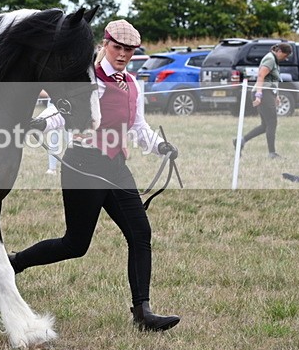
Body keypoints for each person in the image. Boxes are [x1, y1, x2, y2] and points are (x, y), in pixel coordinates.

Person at [11, 19, 181, 332]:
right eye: (117, 47)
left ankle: (143, 312)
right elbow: (61, 114)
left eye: (129, 50)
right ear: (105, 44)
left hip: (116, 167)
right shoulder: (87, 81)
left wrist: (160, 146)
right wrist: (39, 124)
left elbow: (138, 127)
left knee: (140, 234)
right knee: (76, 244)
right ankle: (14, 263)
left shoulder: (132, 84)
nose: (123, 54)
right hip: (83, 164)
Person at [238, 42, 293, 159]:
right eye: (285, 55)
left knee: (265, 125)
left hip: (268, 93)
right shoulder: (270, 59)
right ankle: (272, 153)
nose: (285, 58)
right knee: (272, 122)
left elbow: (272, 80)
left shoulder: (275, 60)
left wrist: (276, 95)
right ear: (279, 51)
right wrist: (259, 95)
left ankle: (241, 141)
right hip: (263, 92)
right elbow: (261, 76)